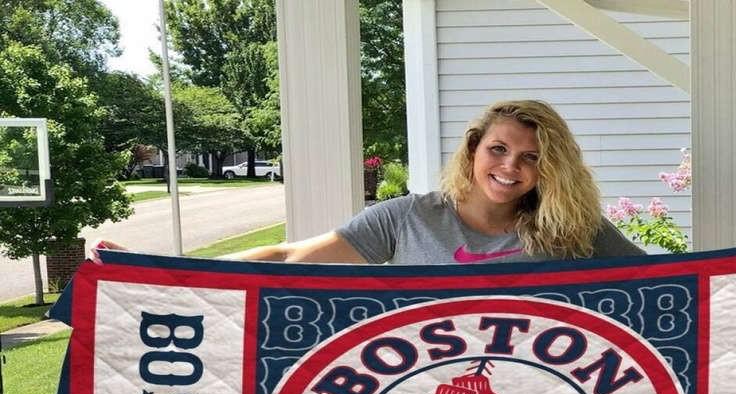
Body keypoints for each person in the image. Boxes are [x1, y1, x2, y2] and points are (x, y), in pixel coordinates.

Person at [95, 99, 644, 266]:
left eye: (531, 157)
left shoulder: (575, 228)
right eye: (498, 149)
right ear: (474, 150)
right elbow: (289, 256)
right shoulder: (408, 217)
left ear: (550, 169)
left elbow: (662, 283)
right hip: (417, 393)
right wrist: (156, 268)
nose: (509, 166)